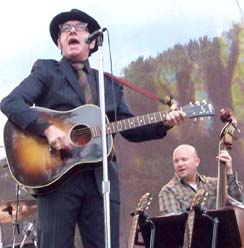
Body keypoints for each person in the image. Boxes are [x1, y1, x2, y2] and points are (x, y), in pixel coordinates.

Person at [0, 9, 186, 248]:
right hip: (55, 177)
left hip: (101, 181)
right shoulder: (47, 71)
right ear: (59, 44)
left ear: (93, 41)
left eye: (79, 27)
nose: (72, 31)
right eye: (65, 30)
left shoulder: (109, 83)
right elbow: (10, 103)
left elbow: (130, 128)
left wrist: (164, 123)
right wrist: (46, 129)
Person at [158, 144, 244, 216]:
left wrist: (229, 171)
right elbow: (175, 225)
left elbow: (239, 201)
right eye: (176, 161)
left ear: (197, 162)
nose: (180, 164)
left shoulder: (214, 184)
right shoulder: (168, 190)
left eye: (184, 159)